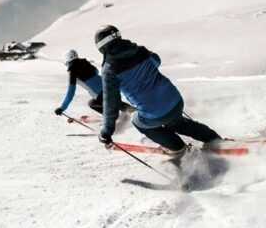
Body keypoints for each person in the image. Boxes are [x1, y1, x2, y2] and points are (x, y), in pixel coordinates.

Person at [95, 25, 221, 156]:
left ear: (102, 47)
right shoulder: (139, 50)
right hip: (175, 100)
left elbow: (111, 103)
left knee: (137, 121)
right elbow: (156, 60)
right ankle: (213, 138)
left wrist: (107, 131)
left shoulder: (109, 69)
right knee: (177, 123)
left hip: (154, 112)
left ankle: (177, 146)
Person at [54, 49, 132, 116]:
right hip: (109, 86)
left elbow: (70, 93)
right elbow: (96, 71)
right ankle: (134, 113)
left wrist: (62, 108)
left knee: (93, 104)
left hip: (101, 94)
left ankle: (116, 117)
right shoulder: (85, 62)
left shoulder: (71, 71)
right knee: (119, 104)